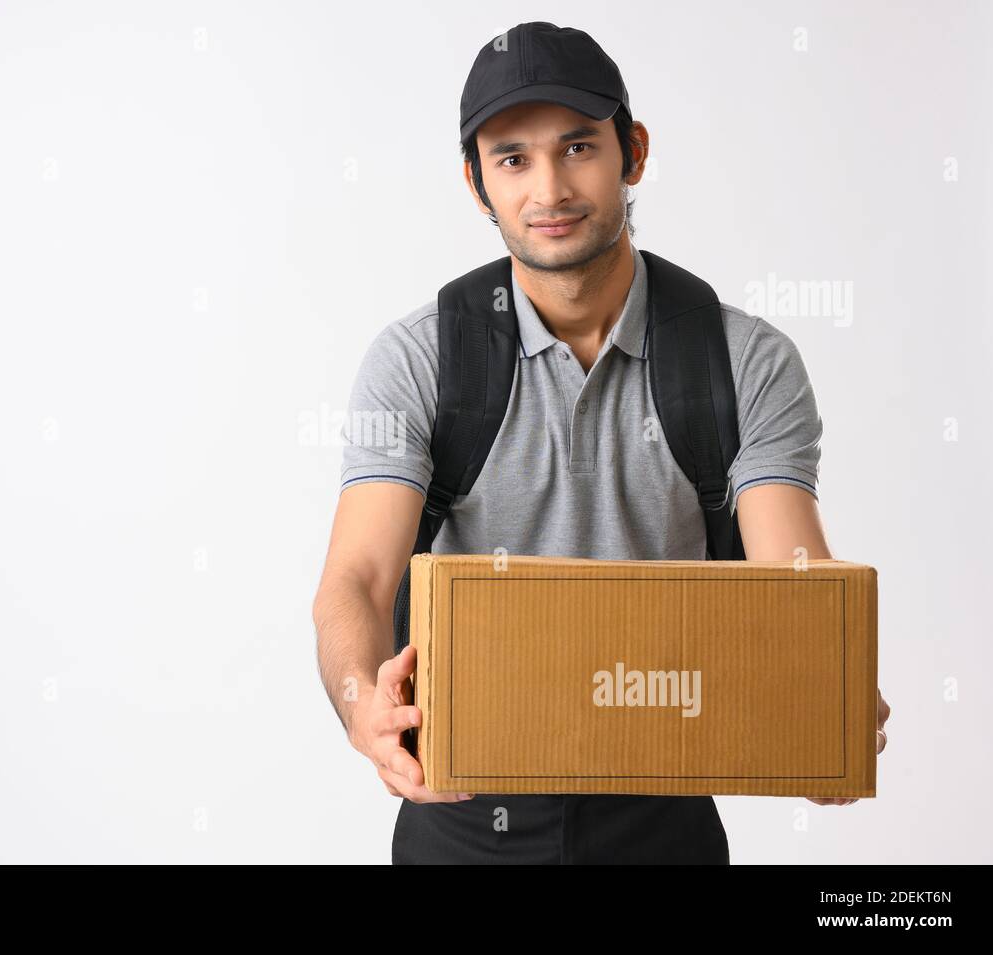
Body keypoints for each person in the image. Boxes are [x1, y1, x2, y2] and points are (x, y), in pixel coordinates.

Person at [311, 21, 890, 864]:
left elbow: (790, 573)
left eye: (578, 145)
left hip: (664, 809)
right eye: (512, 158)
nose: (550, 187)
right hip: (463, 805)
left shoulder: (743, 359)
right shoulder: (419, 360)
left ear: (634, 151)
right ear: (477, 183)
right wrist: (365, 705)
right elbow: (356, 580)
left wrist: (823, 679)